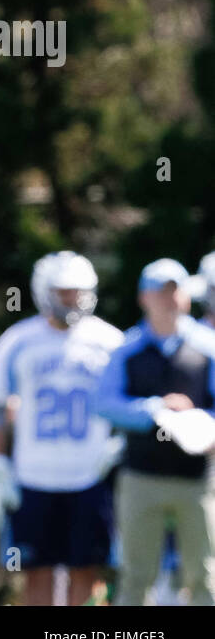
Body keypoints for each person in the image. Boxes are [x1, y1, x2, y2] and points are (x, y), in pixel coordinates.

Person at [0, 251, 123, 606]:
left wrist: (120, 444)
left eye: (76, 291)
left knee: (87, 571)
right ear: (45, 291)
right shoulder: (18, 340)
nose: (71, 299)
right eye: (63, 291)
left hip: (90, 475)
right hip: (34, 475)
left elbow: (128, 401)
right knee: (36, 572)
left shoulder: (110, 342)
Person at [98, 258, 215, 606]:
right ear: (142, 298)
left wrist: (198, 419)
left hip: (197, 479)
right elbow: (104, 403)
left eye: (175, 292)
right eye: (160, 292)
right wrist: (154, 409)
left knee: (204, 576)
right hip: (140, 476)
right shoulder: (127, 348)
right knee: (135, 576)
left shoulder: (208, 346)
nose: (169, 300)